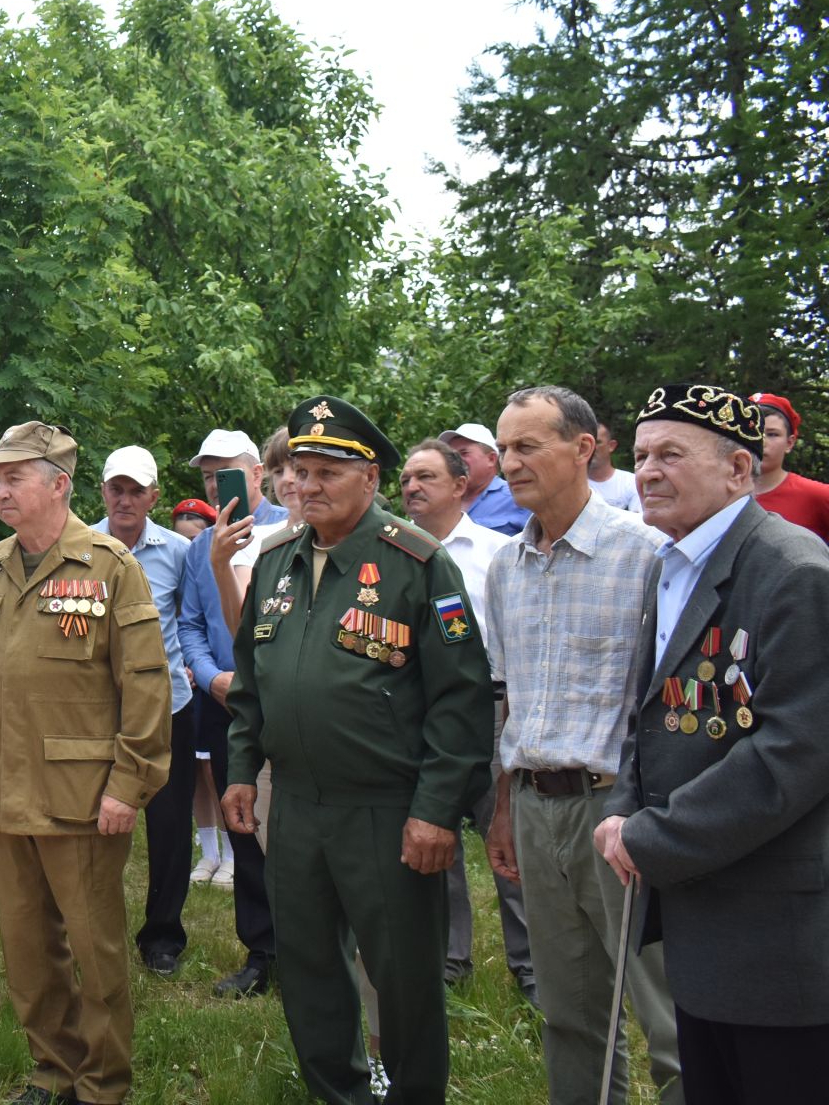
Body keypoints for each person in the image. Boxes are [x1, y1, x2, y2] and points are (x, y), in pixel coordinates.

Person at [224, 395, 494, 1105]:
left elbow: (461, 700)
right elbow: (251, 678)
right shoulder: (278, 560)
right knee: (309, 970)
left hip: (386, 810)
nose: (306, 487)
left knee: (403, 982)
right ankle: (335, 1093)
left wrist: (436, 811)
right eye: (299, 472)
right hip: (299, 806)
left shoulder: (417, 563)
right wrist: (243, 769)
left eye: (326, 474)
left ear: (370, 478)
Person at [596, 383, 829, 1104]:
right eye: (640, 456)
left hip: (778, 931)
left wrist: (655, 835)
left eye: (672, 453)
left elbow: (795, 752)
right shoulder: (670, 563)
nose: (648, 472)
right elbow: (656, 712)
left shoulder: (794, 571)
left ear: (738, 470)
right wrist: (626, 809)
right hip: (703, 915)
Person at [0, 420, 171, 1105]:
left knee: (97, 957)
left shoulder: (110, 567)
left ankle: (102, 1085)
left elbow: (147, 685)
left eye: (14, 478)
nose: (1, 490)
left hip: (85, 798)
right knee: (29, 953)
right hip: (4, 793)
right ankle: (53, 1072)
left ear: (59, 484)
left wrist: (129, 784)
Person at [481, 386, 683, 1105]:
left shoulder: (649, 557)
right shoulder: (506, 568)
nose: (509, 463)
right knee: (568, 1016)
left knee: (668, 1021)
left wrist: (647, 815)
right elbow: (506, 701)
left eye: (527, 446)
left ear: (584, 449)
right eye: (503, 448)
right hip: (537, 809)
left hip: (620, 813)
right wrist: (503, 810)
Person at [397, 439, 533, 998]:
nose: (411, 487)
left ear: (460, 485)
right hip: (423, 718)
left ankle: (530, 968)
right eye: (405, 478)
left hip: (496, 712)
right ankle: (450, 961)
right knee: (435, 837)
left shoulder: (501, 552)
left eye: (425, 476)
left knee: (509, 844)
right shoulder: (390, 557)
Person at [179, 428, 288, 998]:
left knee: (292, 828)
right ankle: (261, 951)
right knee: (241, 824)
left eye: (225, 472)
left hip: (288, 707)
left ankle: (312, 946)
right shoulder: (201, 548)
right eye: (205, 475)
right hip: (226, 707)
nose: (214, 485)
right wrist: (212, 675)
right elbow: (191, 624)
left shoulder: (289, 530)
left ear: (257, 474)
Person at [89, 445, 198, 979]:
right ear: (103, 491)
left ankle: (162, 937)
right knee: (90, 822)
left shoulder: (180, 551)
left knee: (170, 825)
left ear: (154, 496)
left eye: (137, 491)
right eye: (117, 489)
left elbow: (193, 622)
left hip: (166, 708)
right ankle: (88, 928)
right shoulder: (79, 547)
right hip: (95, 709)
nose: (125, 500)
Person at [747, 392, 829, 541]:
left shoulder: (818, 496)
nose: (761, 441)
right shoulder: (716, 495)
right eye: (752, 432)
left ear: (790, 443)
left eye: (772, 434)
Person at [441, 422, 533, 536]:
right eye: (452, 456)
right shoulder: (442, 501)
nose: (455, 461)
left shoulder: (517, 497)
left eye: (464, 453)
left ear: (491, 459)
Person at [588, 421, 643, 512]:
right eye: (587, 443)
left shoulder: (631, 482)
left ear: (611, 446)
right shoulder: (572, 485)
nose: (592, 448)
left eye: (597, 442)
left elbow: (638, 520)